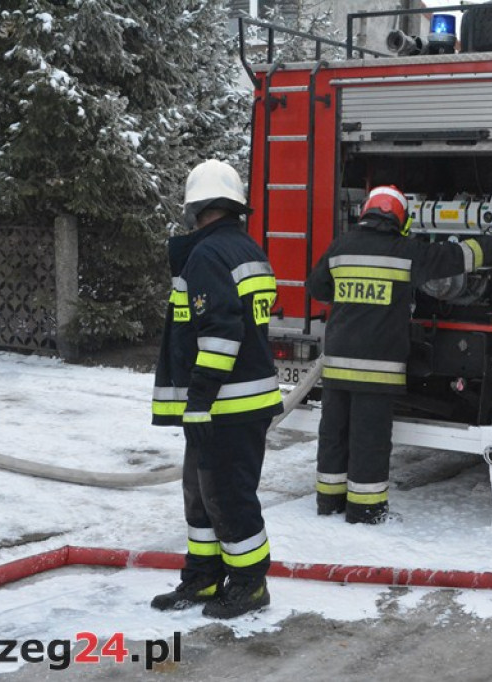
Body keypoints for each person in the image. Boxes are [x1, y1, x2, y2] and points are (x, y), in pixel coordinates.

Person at [305, 185, 492, 524]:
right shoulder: (407, 251)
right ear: (401, 220)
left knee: (334, 436)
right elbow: (464, 255)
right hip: (378, 369)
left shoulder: (340, 247)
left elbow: (317, 288)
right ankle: (366, 511)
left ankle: (328, 504)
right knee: (369, 441)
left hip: (338, 365)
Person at [150, 159, 283, 618]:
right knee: (204, 495)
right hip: (236, 401)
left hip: (225, 404)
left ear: (195, 207)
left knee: (229, 496)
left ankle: (249, 585)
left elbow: (221, 334)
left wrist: (200, 400)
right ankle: (203, 577)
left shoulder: (207, 256)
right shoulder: (246, 249)